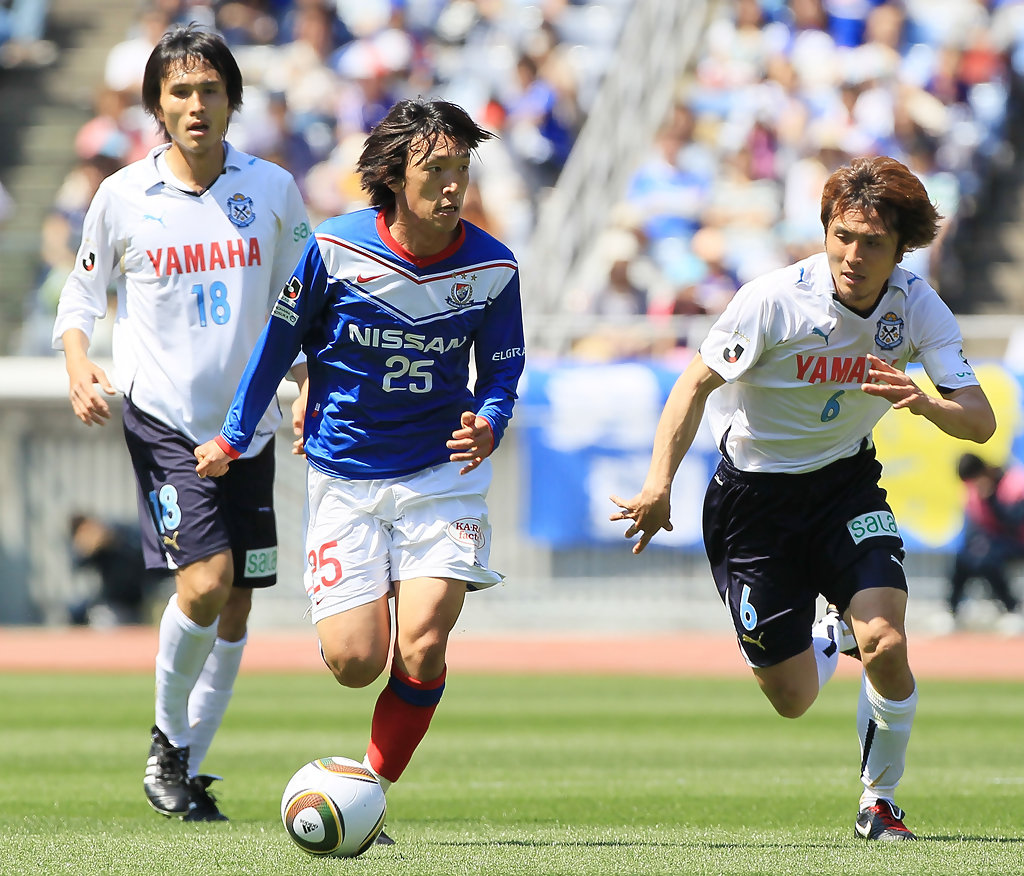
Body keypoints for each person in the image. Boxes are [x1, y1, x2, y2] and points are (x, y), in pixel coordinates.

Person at [610, 155, 995, 841]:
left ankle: (879, 803)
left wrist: (924, 402)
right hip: (751, 504)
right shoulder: (773, 300)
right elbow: (694, 384)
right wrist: (658, 484)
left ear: (899, 247)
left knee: (885, 642)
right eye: (841, 235)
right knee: (790, 699)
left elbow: (979, 418)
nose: (852, 254)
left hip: (845, 487)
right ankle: (827, 633)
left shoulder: (916, 305)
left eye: (871, 242)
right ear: (825, 231)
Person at [194, 97, 526, 843]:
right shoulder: (335, 250)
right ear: (392, 177)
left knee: (423, 644)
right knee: (354, 660)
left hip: (442, 479)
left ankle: (366, 793)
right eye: (434, 169)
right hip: (344, 479)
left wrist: (491, 422)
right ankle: (363, 787)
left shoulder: (494, 266)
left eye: (461, 169)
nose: (452, 186)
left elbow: (503, 372)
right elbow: (278, 348)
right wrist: (232, 436)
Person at [52, 24, 311, 822]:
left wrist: (304, 386)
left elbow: (302, 301)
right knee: (206, 581)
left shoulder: (271, 189)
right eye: (179, 92)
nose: (195, 105)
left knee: (237, 603)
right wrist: (77, 364)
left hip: (251, 426)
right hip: (163, 419)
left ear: (232, 100)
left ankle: (188, 765)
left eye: (209, 90)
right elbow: (80, 298)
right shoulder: (123, 196)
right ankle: (167, 746)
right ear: (156, 106)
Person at [949, 453, 1024, 625]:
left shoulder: (1015, 484)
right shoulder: (974, 491)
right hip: (994, 544)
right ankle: (952, 610)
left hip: (1018, 541)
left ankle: (1011, 608)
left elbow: (1013, 524)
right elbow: (975, 527)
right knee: (964, 557)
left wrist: (991, 499)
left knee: (987, 559)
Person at [67, 513, 169, 626]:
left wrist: (111, 541)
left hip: (144, 597)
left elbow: (141, 551)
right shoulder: (94, 551)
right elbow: (77, 564)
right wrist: (85, 550)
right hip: (114, 604)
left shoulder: (116, 532)